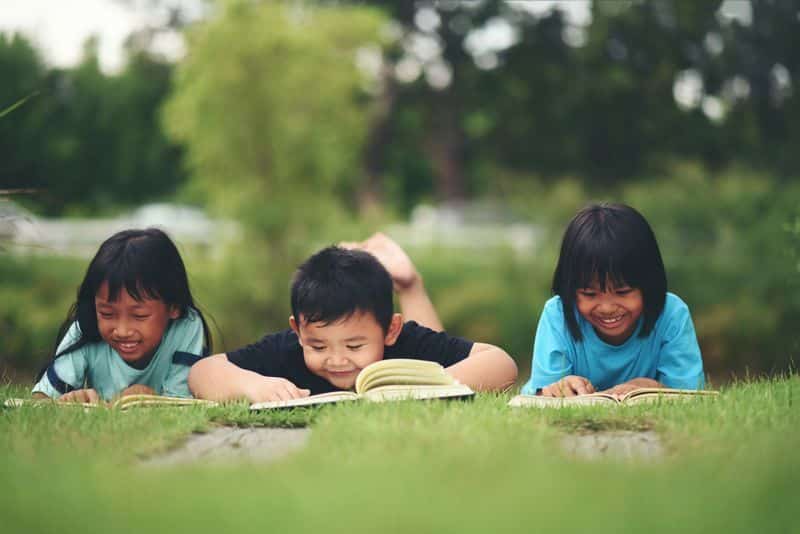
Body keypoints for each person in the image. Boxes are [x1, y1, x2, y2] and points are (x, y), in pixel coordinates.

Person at [189, 233, 518, 402]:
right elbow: (203, 371)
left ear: (390, 330)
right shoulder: (286, 351)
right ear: (298, 330)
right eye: (317, 346)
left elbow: (502, 364)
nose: (336, 359)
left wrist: (424, 388)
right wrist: (254, 385)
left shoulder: (404, 342)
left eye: (355, 345)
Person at [520, 203, 705, 398]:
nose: (607, 308)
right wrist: (560, 388)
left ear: (649, 283)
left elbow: (691, 393)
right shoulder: (558, 314)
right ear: (570, 288)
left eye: (623, 292)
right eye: (590, 294)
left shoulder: (671, 313)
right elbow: (542, 396)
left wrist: (652, 387)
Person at [32, 228, 212, 403]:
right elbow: (41, 399)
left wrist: (149, 397)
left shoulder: (186, 325)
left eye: (139, 316)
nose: (122, 331)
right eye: (107, 313)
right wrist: (70, 400)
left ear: (174, 307)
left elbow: (181, 403)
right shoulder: (87, 327)